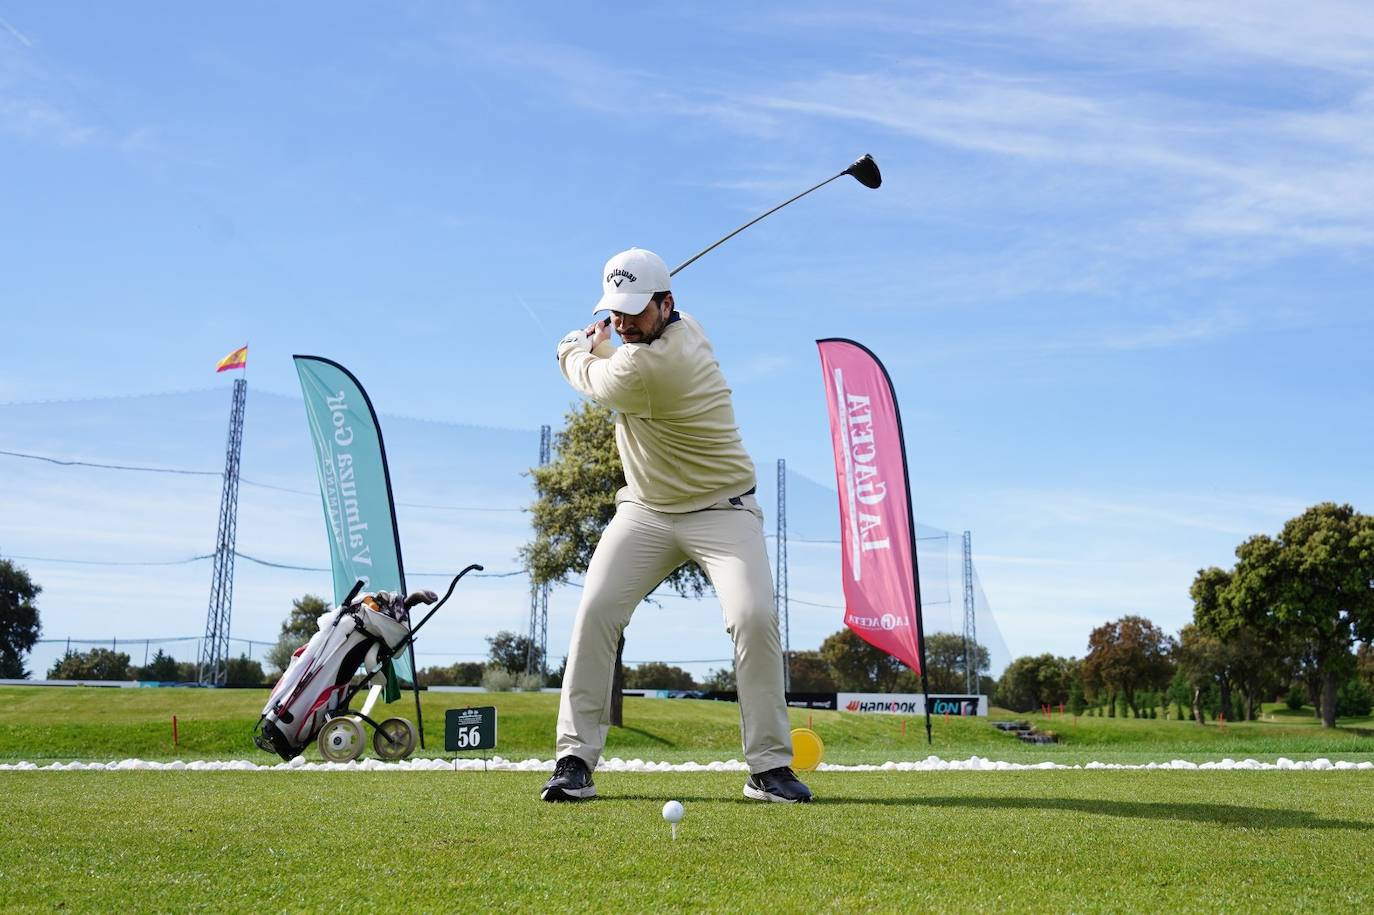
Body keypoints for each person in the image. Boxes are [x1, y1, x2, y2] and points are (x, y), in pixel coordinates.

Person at [542, 247, 810, 804]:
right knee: (594, 613)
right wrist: (614, 336)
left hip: (722, 510)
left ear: (667, 304)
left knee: (753, 617)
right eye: (615, 311)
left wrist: (574, 345)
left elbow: (591, 376)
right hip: (646, 511)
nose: (623, 323)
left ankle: (769, 768)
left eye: (635, 311)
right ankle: (573, 759)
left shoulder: (653, 366)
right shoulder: (680, 328)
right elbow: (619, 352)